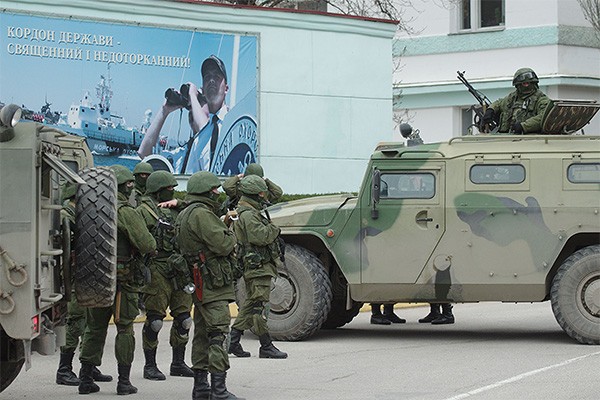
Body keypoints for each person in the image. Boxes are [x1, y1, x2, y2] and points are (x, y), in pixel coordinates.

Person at [78, 165, 157, 395]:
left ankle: (85, 379)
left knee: (94, 327)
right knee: (125, 329)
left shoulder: (88, 210)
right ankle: (124, 382)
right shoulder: (125, 211)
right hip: (124, 281)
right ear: (125, 186)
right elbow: (147, 244)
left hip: (95, 279)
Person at [175, 171, 243, 400]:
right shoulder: (202, 215)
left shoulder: (185, 213)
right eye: (215, 190)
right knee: (218, 333)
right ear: (206, 192)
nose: (217, 194)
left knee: (203, 333)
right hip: (212, 283)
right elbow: (223, 245)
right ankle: (219, 390)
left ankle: (201, 387)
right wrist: (230, 233)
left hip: (200, 282)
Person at [137, 171, 194, 381]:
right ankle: (150, 366)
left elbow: (202, 209)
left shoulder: (178, 208)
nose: (172, 191)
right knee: (155, 321)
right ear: (157, 190)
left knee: (184, 319)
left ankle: (178, 363)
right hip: (157, 268)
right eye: (168, 188)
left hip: (178, 268)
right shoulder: (143, 211)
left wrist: (179, 202)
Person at [55, 183, 112, 386]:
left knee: (89, 322)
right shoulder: (66, 215)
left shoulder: (76, 214)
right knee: (75, 321)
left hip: (84, 275)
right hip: (73, 277)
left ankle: (88, 367)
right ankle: (64, 369)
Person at [228, 175, 287, 359]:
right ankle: (266, 345)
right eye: (261, 192)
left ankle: (233, 341)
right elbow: (260, 237)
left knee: (253, 303)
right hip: (257, 266)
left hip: (256, 265)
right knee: (259, 305)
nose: (264, 195)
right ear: (255, 194)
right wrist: (274, 229)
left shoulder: (246, 211)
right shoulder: (249, 215)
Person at [138, 55, 229, 174]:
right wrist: (164, 110)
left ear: (226, 89)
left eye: (199, 103)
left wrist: (192, 95)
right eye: (207, 77)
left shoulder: (229, 126)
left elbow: (204, 127)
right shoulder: (185, 152)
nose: (193, 109)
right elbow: (144, 154)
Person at [482, 67, 551, 134]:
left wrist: (524, 126)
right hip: (506, 136)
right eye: (524, 83)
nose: (526, 86)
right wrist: (491, 109)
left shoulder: (541, 99)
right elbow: (499, 103)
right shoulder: (513, 97)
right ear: (518, 85)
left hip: (528, 138)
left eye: (528, 83)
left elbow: (544, 117)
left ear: (533, 83)